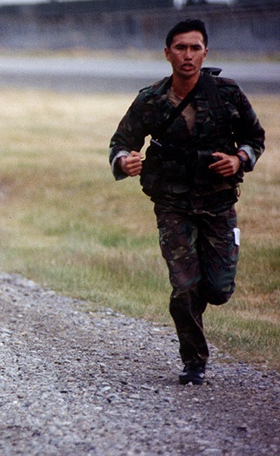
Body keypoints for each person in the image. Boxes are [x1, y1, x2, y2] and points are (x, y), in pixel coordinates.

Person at [109, 19, 265, 385]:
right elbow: (121, 143)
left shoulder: (227, 94)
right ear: (168, 53)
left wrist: (239, 159)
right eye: (181, 48)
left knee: (218, 289)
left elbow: (255, 138)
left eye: (195, 48)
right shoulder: (151, 99)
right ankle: (194, 360)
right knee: (184, 286)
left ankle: (201, 305)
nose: (188, 55)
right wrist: (124, 161)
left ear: (205, 53)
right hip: (172, 203)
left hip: (218, 204)